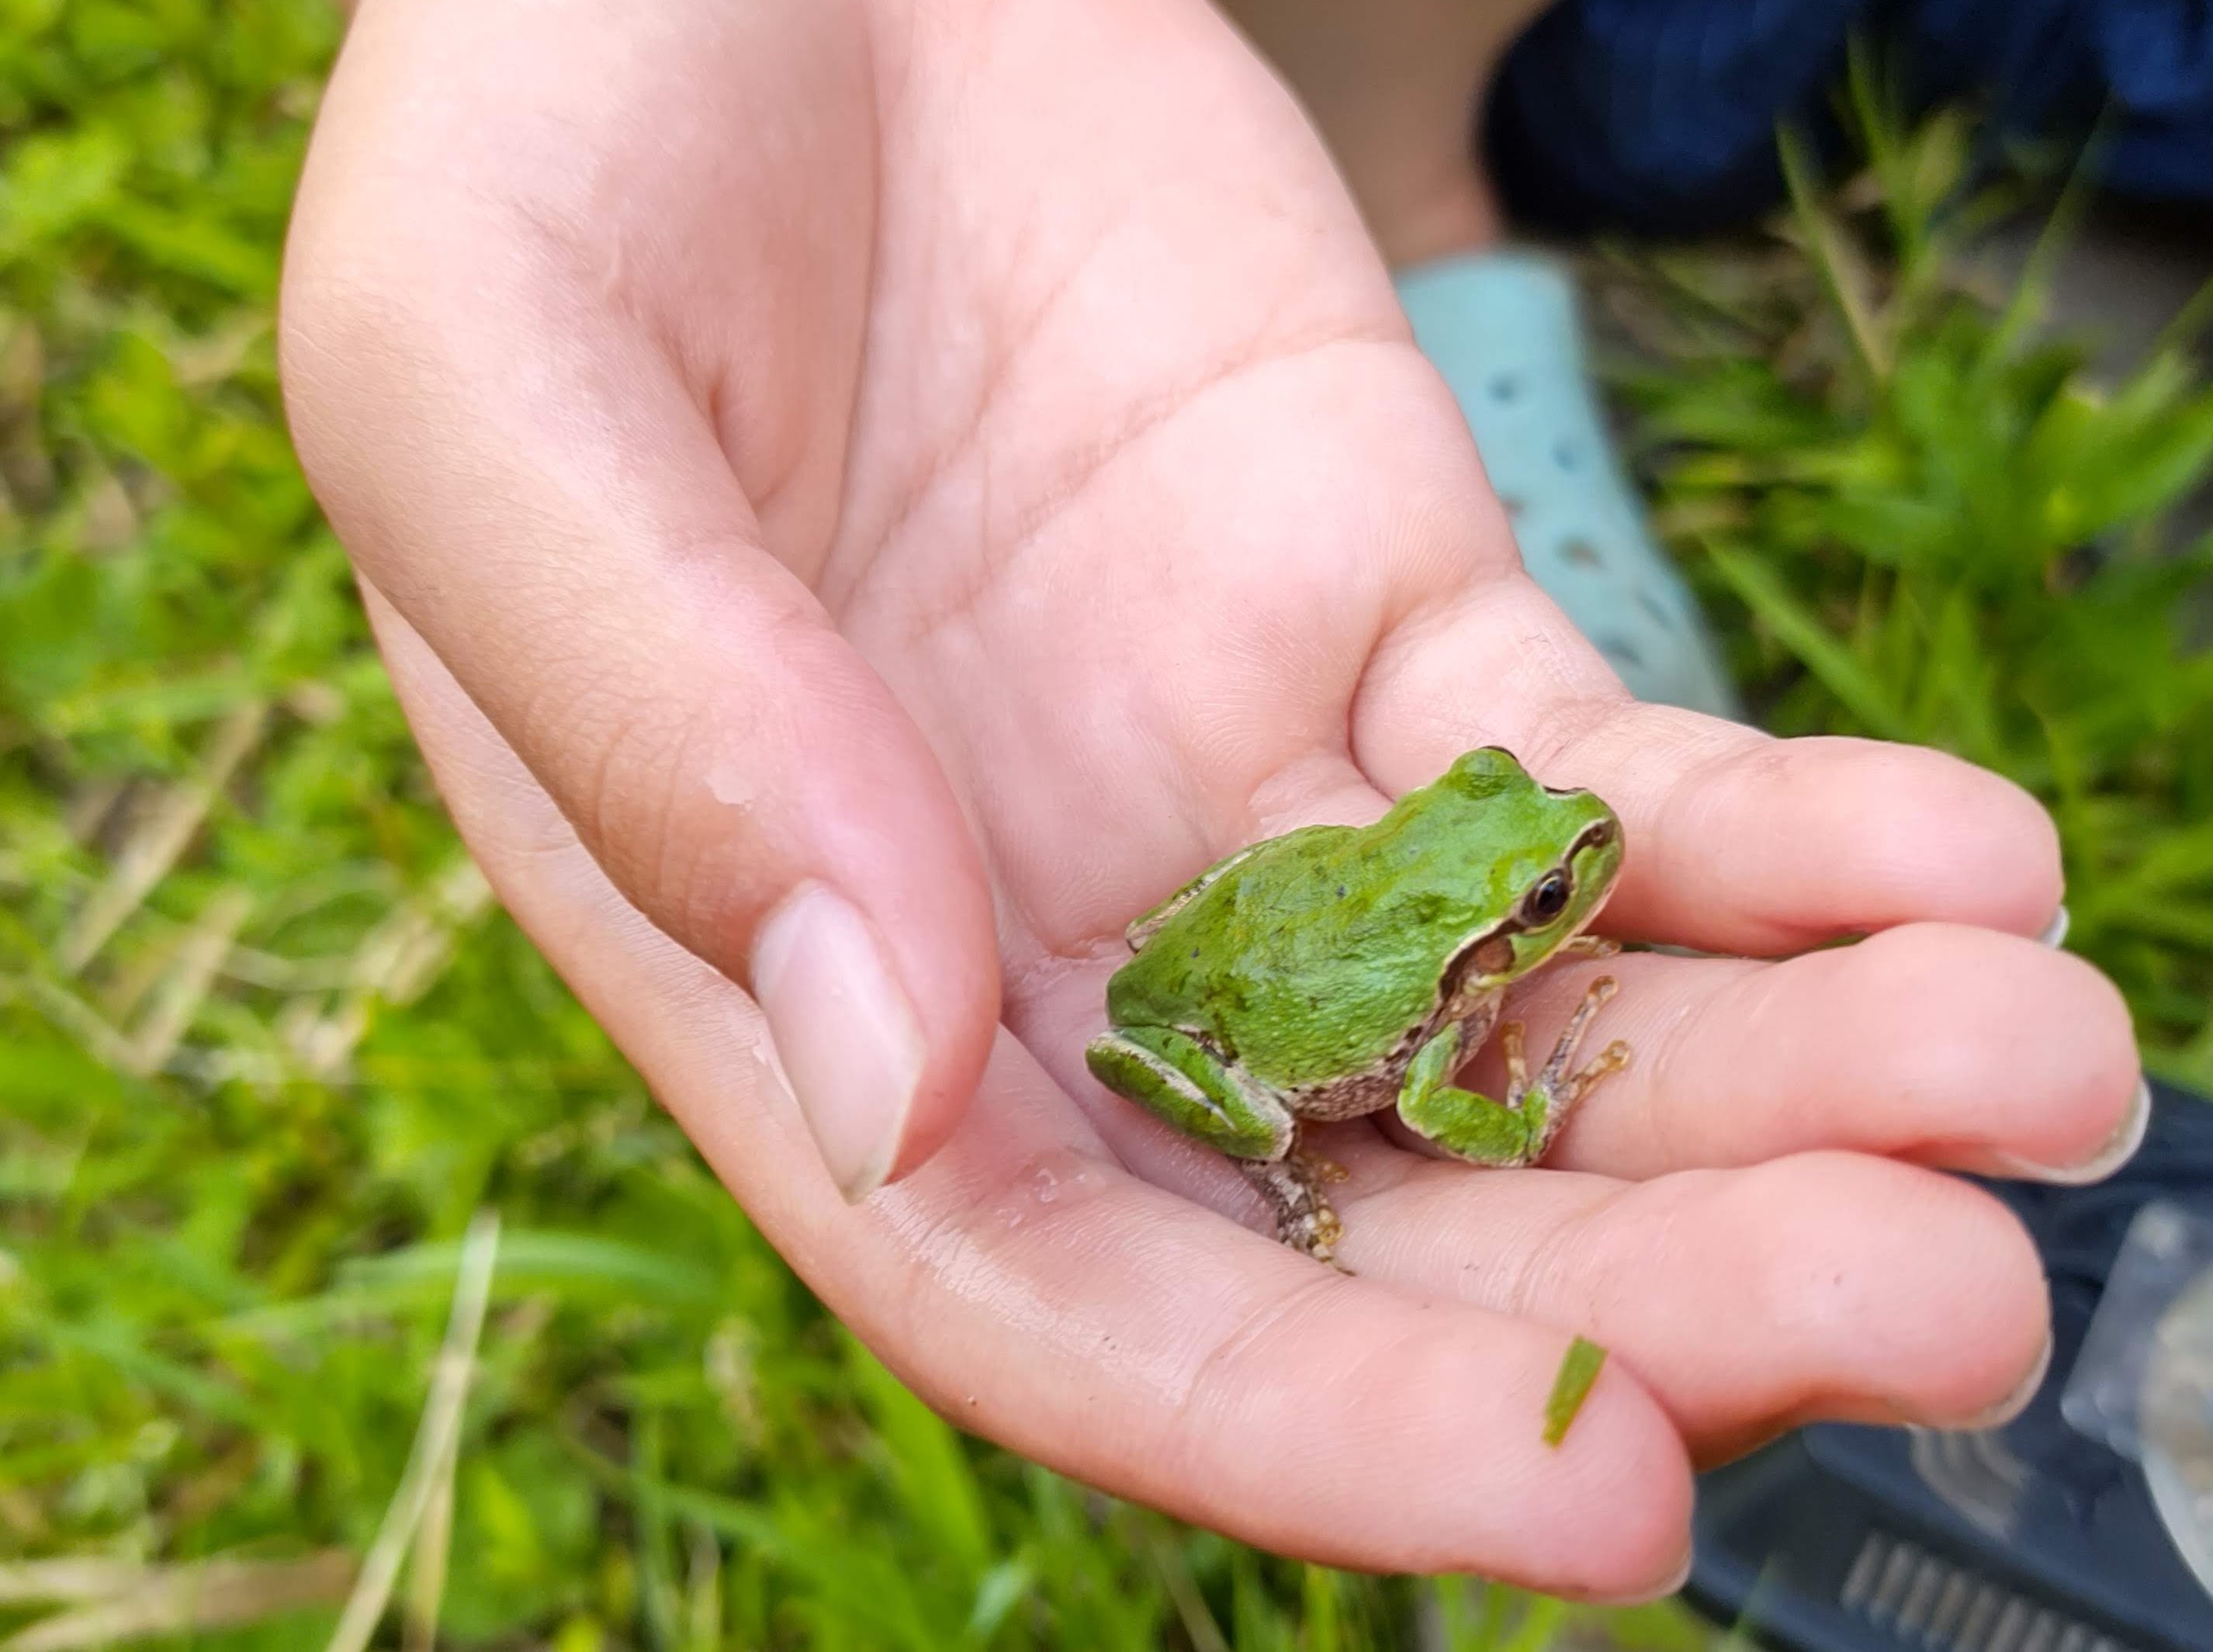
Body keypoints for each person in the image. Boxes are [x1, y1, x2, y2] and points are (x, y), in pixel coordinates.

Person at [279, 0, 2146, 1600]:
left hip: (1269, 917)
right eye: (1548, 893)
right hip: (1236, 1028)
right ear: (1499, 933)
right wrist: (1520, 1093)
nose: (1578, 884)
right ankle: (1431, 206)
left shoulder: (1459, 935)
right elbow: (1428, 1095)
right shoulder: (1444, 1013)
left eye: (1555, 877)